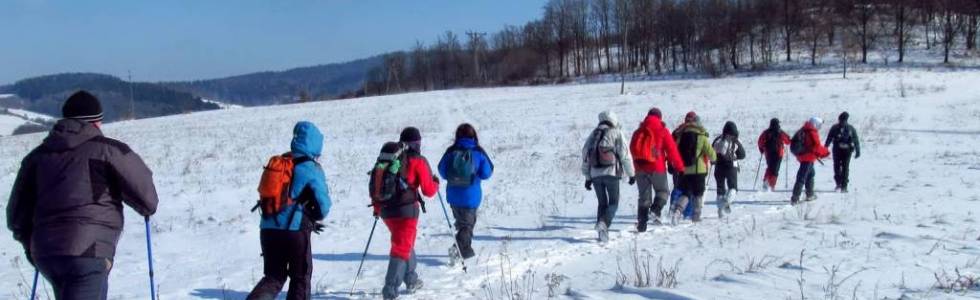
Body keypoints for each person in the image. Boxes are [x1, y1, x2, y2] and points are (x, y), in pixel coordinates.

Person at [6, 90, 159, 300]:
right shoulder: (109, 151)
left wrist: (31, 246)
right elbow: (147, 199)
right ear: (96, 122)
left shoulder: (36, 158)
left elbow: (16, 215)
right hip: (88, 251)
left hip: (45, 253)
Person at [248, 121, 333, 300]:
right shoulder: (311, 168)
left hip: (268, 228)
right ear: (316, 144)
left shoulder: (281, 162)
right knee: (300, 277)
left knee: (273, 277)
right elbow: (323, 207)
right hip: (294, 232)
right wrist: (313, 217)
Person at [375, 127, 439, 300]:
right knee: (401, 247)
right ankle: (390, 290)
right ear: (417, 143)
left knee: (404, 243)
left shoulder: (391, 157)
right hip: (406, 212)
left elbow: (377, 182)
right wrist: (436, 182)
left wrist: (377, 207)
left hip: (386, 211)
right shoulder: (418, 160)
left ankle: (411, 280)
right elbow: (429, 190)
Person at [438, 123, 494, 260]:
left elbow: (442, 171)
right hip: (471, 195)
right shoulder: (478, 151)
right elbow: (487, 173)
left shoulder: (451, 151)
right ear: (474, 135)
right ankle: (459, 250)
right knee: (467, 226)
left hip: (453, 195)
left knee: (463, 223)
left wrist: (454, 176)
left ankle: (463, 250)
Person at [581, 111, 635, 241]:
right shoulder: (616, 133)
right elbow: (625, 155)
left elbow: (585, 155)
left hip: (595, 175)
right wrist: (631, 174)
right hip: (611, 173)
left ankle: (602, 233)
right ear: (614, 120)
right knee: (614, 203)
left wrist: (587, 178)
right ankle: (604, 224)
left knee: (602, 203)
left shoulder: (593, 134)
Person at [629, 108, 684, 232]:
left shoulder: (638, 131)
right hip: (656, 167)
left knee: (644, 197)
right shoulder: (662, 131)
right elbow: (672, 151)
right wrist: (679, 167)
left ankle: (642, 225)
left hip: (640, 168)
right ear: (660, 118)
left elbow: (632, 149)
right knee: (663, 191)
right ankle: (655, 210)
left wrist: (636, 167)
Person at [671, 112, 716, 224]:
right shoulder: (702, 136)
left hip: (685, 170)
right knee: (698, 194)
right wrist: (713, 159)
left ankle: (677, 211)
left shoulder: (681, 135)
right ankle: (696, 216)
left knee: (686, 192)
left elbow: (674, 151)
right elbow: (712, 154)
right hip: (699, 171)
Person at [791, 117, 831, 204]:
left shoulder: (804, 129)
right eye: (819, 125)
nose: (820, 127)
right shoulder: (812, 132)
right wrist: (826, 152)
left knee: (810, 174)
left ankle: (809, 194)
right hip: (808, 157)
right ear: (815, 124)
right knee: (802, 177)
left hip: (804, 156)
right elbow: (816, 147)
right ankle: (795, 197)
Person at [711, 121, 746, 218]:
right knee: (733, 188)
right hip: (731, 166)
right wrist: (735, 156)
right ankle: (726, 202)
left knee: (720, 188)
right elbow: (742, 155)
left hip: (718, 166)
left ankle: (720, 210)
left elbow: (711, 152)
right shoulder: (735, 140)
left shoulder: (717, 139)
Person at [824, 112, 861, 193]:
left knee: (841, 167)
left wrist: (858, 150)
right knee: (841, 167)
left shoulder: (843, 128)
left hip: (842, 150)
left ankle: (842, 185)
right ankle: (841, 185)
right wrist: (825, 148)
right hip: (842, 150)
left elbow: (855, 140)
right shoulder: (846, 128)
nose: (842, 121)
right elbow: (829, 138)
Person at [757, 118, 791, 191]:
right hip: (778, 154)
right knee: (775, 170)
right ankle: (771, 185)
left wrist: (761, 149)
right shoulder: (780, 132)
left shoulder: (766, 132)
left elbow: (760, 142)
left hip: (768, 153)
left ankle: (766, 182)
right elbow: (788, 141)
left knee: (770, 167)